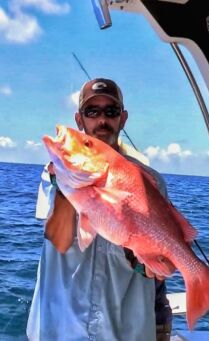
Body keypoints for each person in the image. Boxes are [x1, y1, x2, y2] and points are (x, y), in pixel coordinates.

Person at [27, 78, 173, 341]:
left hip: (124, 332)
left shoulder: (151, 182)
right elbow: (59, 240)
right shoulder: (54, 174)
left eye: (111, 111)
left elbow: (154, 269)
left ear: (123, 119)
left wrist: (152, 265)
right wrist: (68, 183)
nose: (102, 120)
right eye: (92, 112)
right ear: (80, 119)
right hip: (59, 331)